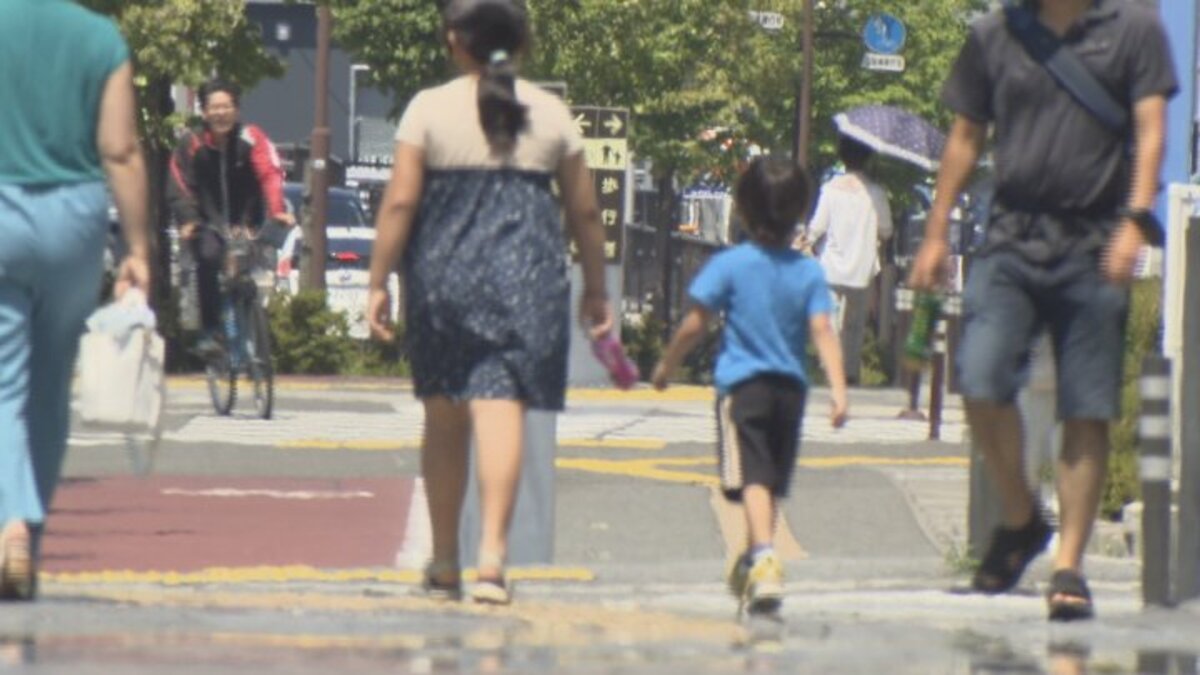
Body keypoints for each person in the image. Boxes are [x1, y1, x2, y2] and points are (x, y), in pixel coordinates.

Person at [908, 0, 1177, 621]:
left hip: (1096, 239)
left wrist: (1137, 219)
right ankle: (1022, 515)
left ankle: (1069, 568)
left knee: (1087, 406)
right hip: (1011, 238)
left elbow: (1151, 130)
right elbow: (966, 136)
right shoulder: (995, 34)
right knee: (980, 375)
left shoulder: (1133, 30)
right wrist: (936, 231)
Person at [366, 0, 612, 605]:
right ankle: (492, 563)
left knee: (445, 417)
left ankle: (445, 559)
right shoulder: (551, 113)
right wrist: (596, 288)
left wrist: (377, 280)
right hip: (526, 282)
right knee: (502, 408)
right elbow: (583, 210)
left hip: (444, 277)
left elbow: (401, 202)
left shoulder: (428, 109)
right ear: (522, 42)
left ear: (455, 41)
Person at [652, 157, 848, 615]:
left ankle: (763, 558)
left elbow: (694, 324)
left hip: (743, 388)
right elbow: (823, 329)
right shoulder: (808, 272)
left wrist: (666, 366)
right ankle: (753, 558)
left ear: (742, 207)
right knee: (770, 480)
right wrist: (839, 390)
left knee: (752, 477)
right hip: (791, 391)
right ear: (800, 211)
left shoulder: (731, 265)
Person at [0, 0, 150, 600]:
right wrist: (137, 247)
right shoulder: (100, 38)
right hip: (74, 221)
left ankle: (9, 520)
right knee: (50, 385)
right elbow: (120, 150)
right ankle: (28, 539)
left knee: (3, 384)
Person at [167, 78, 294, 354]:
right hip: (206, 222)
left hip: (247, 219)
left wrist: (277, 211)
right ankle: (211, 331)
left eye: (226, 107)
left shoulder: (251, 138)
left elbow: (270, 174)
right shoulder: (191, 143)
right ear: (204, 112)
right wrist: (189, 219)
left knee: (250, 261)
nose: (220, 113)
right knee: (208, 257)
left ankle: (252, 319)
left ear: (237, 110)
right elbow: (180, 185)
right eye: (214, 107)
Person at [799, 135, 893, 385]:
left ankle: (828, 368)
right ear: (868, 158)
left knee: (829, 321)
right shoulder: (876, 193)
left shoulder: (831, 189)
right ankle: (849, 373)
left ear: (842, 157)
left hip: (831, 266)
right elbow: (886, 230)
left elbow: (817, 227)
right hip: (861, 268)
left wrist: (806, 240)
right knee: (854, 325)